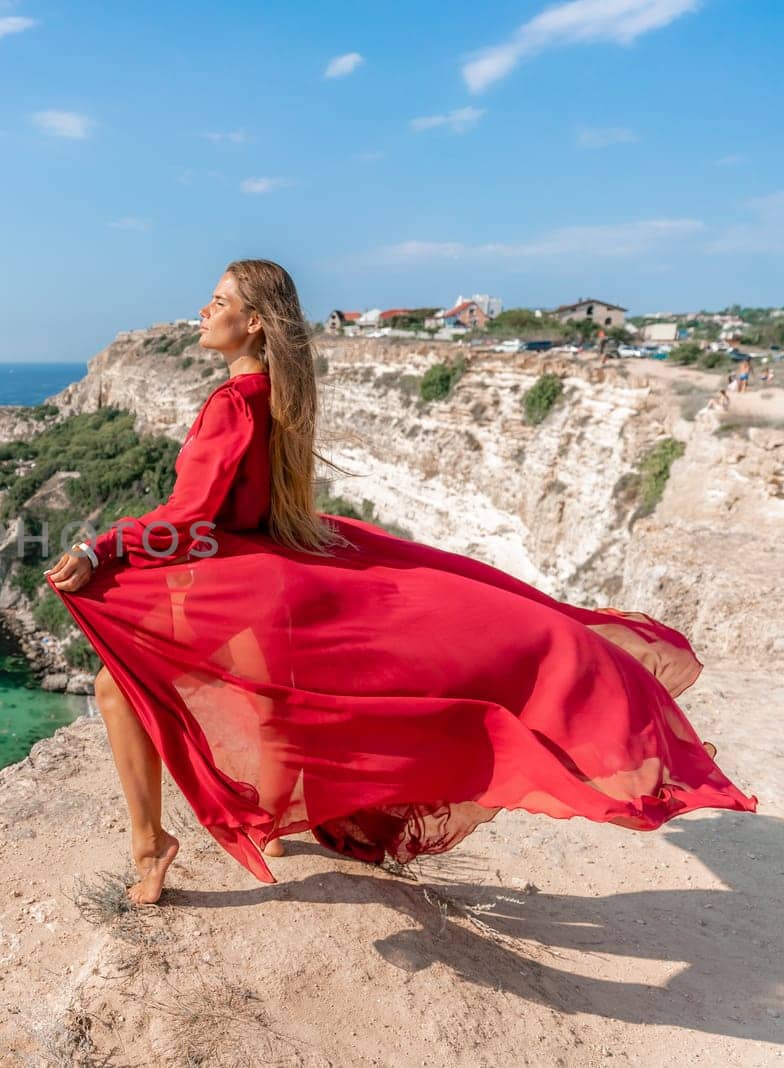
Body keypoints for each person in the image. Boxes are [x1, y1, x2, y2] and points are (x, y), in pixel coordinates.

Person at [44, 259, 755, 905]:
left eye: (217, 300)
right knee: (267, 690)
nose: (204, 312)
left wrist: (99, 544)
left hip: (237, 574)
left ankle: (150, 845)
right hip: (276, 569)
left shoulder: (233, 403)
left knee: (118, 686)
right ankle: (267, 826)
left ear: (252, 322)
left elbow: (191, 513)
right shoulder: (274, 396)